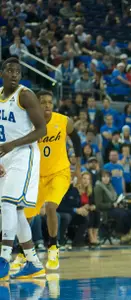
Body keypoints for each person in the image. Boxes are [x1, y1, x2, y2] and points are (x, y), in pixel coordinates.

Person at [13, 90, 81, 271]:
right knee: (26, 216)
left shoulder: (64, 121)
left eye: (50, 102)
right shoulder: (28, 123)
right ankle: (22, 252)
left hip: (60, 173)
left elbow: (76, 140)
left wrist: (79, 169)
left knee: (51, 207)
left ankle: (53, 248)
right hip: (37, 176)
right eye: (43, 102)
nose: (47, 105)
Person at [0, 57, 48, 279]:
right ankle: (34, 262)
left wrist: (13, 145)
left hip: (23, 153)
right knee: (17, 211)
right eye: (10, 70)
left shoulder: (25, 95)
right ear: (3, 72)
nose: (14, 74)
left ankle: (4, 258)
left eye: (18, 71)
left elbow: (42, 130)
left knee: (7, 204)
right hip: (5, 155)